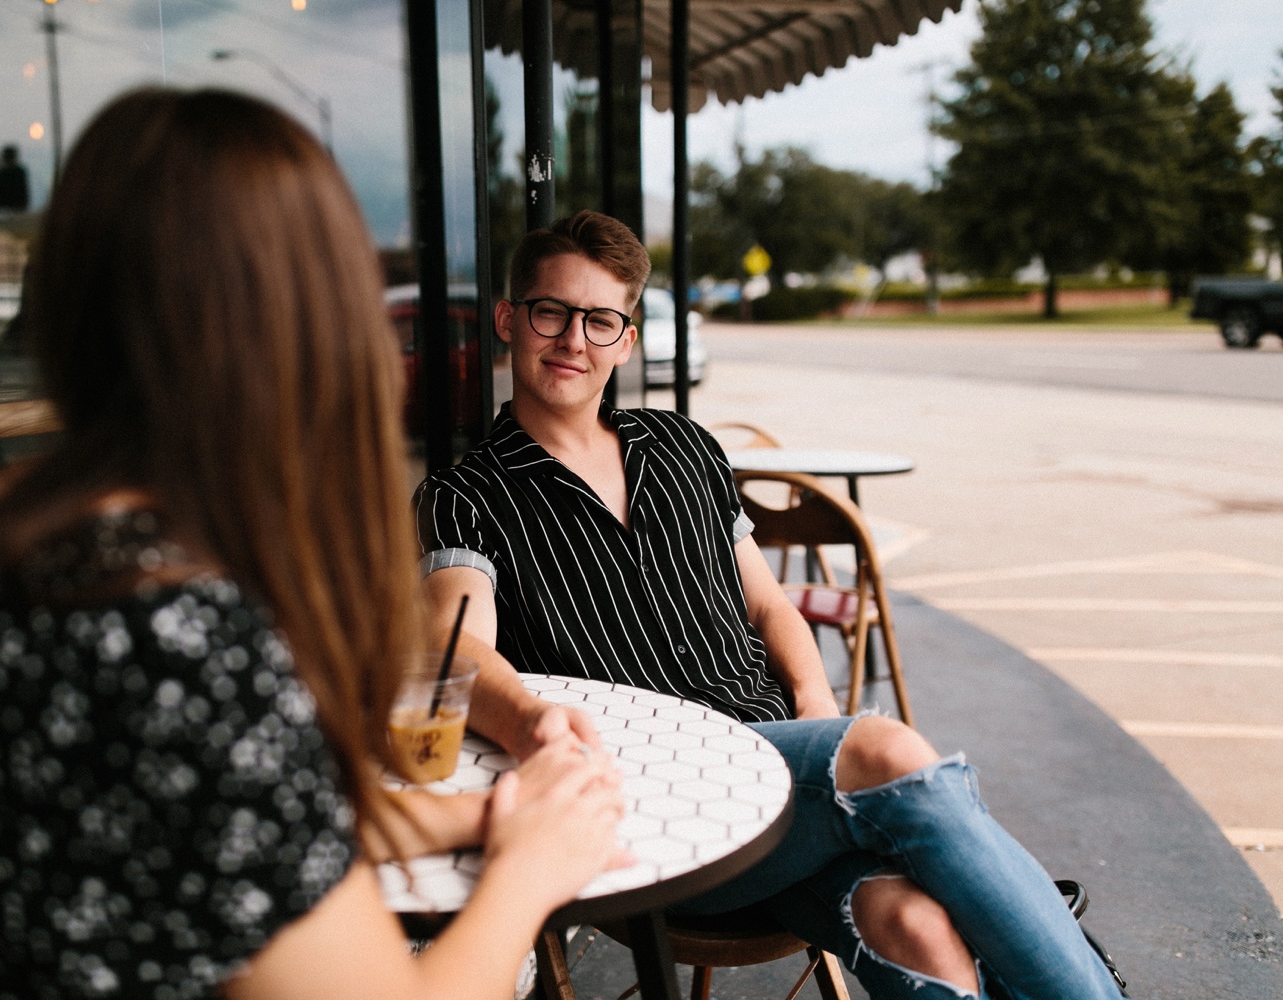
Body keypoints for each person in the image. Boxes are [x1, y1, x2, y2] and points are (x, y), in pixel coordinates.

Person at [0, 89, 626, 1000]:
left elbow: (228, 827)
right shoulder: (181, 638)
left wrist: (489, 816)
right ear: (313, 330)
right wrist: (531, 873)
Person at [414, 210, 1128, 1000]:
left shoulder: (686, 447)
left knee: (918, 927)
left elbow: (770, 606)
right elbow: (456, 649)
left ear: (626, 338)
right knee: (888, 752)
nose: (573, 340)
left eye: (600, 319)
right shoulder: (464, 495)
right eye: (552, 312)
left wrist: (820, 716)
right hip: (654, 809)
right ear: (511, 319)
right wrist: (531, 720)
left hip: (779, 776)